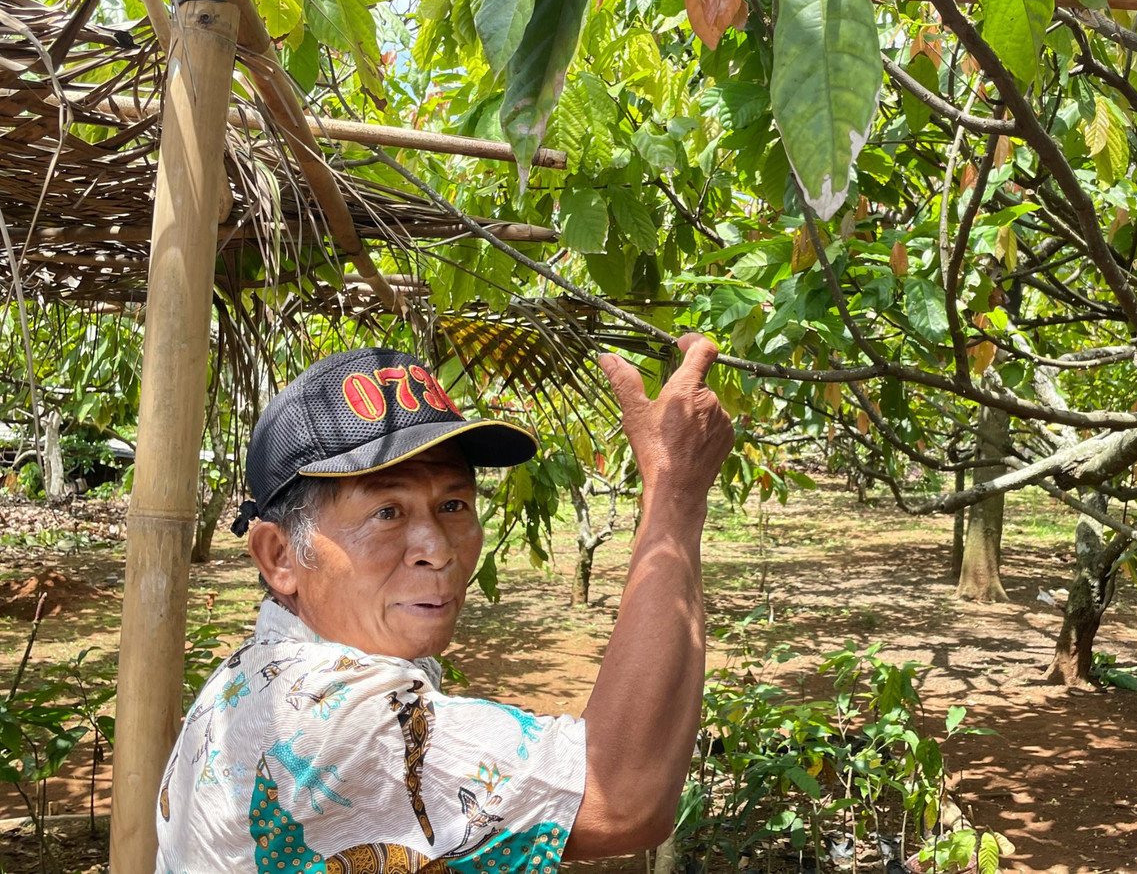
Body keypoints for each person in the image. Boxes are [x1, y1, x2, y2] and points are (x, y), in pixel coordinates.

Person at [154, 336, 734, 873]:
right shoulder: (340, 717)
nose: (437, 550)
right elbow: (621, 797)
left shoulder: (250, 677)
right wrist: (674, 490)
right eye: (387, 512)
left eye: (453, 505)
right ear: (280, 556)